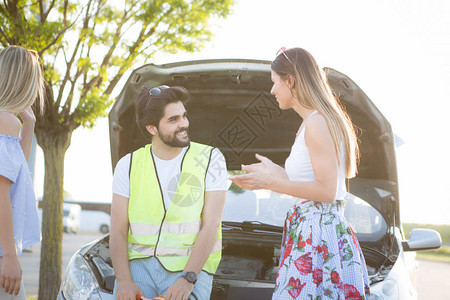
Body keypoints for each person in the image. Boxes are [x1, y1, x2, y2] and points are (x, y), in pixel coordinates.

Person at [230, 48, 370, 299]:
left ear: (290, 81)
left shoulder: (317, 123)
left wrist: (271, 182)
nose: (272, 91)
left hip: (318, 234)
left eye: (275, 82)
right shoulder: (312, 122)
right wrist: (275, 173)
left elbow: (326, 192)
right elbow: (312, 184)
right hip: (312, 230)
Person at [110, 86, 227, 300]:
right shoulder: (128, 165)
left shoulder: (212, 158)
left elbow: (211, 225)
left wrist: (188, 278)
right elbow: (117, 230)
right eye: (173, 120)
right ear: (152, 128)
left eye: (184, 116)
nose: (184, 124)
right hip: (139, 269)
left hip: (191, 269)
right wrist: (124, 281)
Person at [0, 46, 44, 299]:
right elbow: (1, 193)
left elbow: (18, 173)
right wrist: (9, 257)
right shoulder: (5, 120)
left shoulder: (9, 121)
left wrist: (30, 123)